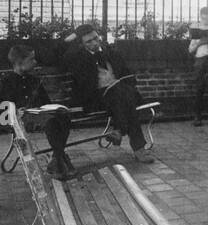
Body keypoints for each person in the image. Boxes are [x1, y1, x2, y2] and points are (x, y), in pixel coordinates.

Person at [66, 25, 153, 162]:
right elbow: (56, 51)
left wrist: (123, 83)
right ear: (81, 45)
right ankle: (138, 148)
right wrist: (75, 34)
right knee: (125, 97)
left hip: (120, 95)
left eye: (95, 38)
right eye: (89, 41)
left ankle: (119, 131)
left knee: (122, 92)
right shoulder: (78, 58)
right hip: (97, 99)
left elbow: (128, 75)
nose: (94, 43)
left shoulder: (112, 53)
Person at [0, 44, 74, 179]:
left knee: (63, 117)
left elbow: (46, 102)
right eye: (31, 59)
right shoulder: (6, 81)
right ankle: (60, 159)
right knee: (51, 122)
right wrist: (16, 111)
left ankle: (57, 158)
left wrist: (52, 109)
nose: (35, 62)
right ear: (20, 63)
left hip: (37, 115)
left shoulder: (34, 80)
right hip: (17, 119)